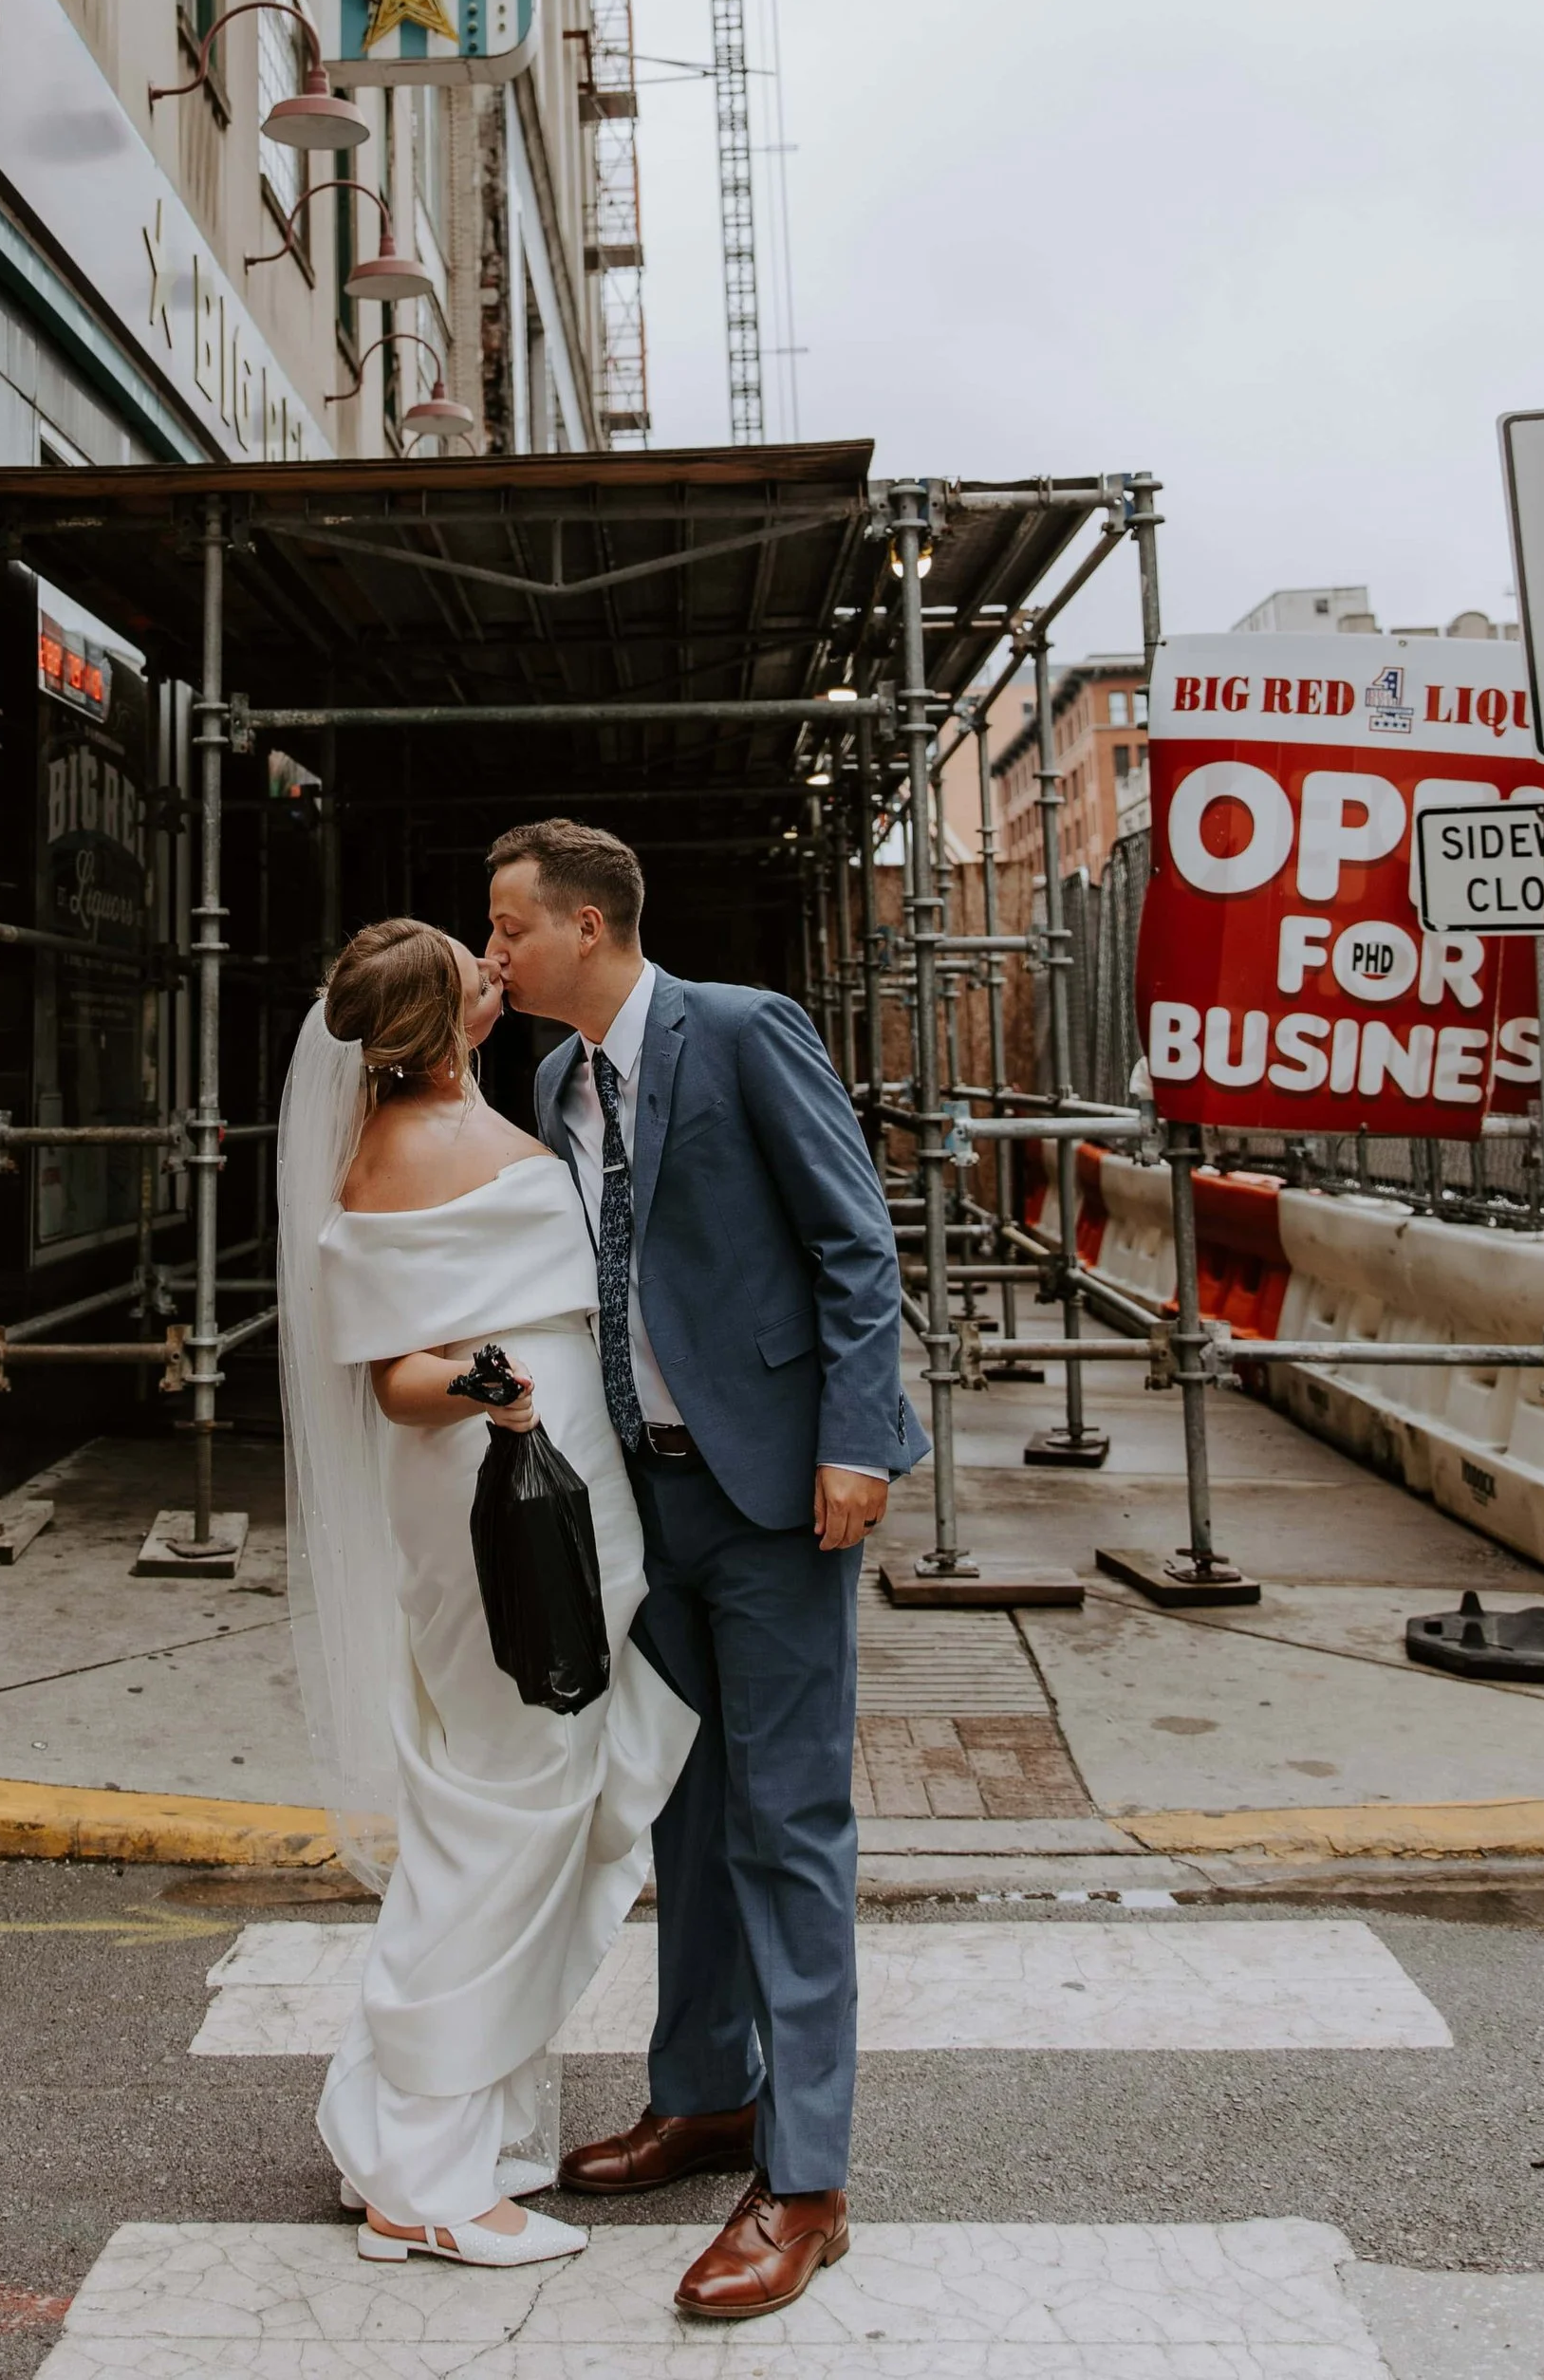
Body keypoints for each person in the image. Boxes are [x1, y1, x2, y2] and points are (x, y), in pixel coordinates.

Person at [487, 818, 924, 2328]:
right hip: (649, 1501)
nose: (496, 954)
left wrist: (856, 1443)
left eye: (509, 929)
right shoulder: (548, 1078)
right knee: (686, 1807)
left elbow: (855, 1245)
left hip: (780, 1494)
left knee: (791, 1821)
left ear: (590, 927)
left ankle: (808, 2182)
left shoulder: (744, 1033)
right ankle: (708, 2097)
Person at [278, 915, 697, 2274]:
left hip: (548, 1483)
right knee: (511, 1812)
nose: (494, 967)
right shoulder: (395, 1156)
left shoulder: (480, 1107)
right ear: (435, 1018)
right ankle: (428, 2180)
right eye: (475, 964)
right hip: (498, 1504)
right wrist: (496, 1390)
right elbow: (398, 1376)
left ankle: (417, 2124)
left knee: (516, 1801)